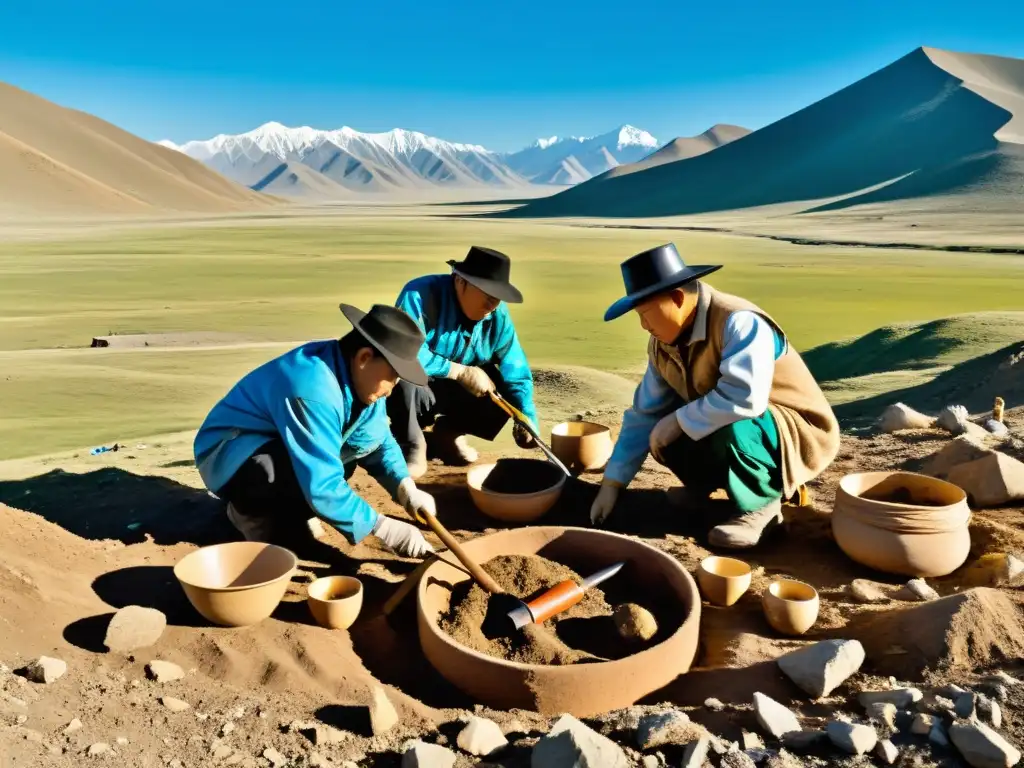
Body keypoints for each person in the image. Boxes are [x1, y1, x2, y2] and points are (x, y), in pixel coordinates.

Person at [590, 243, 840, 548]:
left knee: (717, 421)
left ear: (678, 299)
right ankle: (704, 488)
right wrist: (612, 484)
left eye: (646, 314)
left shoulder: (739, 321)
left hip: (792, 432)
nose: (644, 326)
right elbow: (645, 413)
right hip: (737, 425)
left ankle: (761, 505)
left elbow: (745, 397)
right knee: (663, 430)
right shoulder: (663, 346)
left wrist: (678, 421)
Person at [193, 303, 437, 559]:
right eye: (393, 376)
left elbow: (376, 440)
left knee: (345, 461)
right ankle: (247, 514)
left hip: (284, 444)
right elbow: (322, 484)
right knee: (273, 472)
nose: (392, 388)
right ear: (365, 357)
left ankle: (294, 512)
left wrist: (405, 488)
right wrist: (383, 528)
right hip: (229, 451)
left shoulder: (363, 380)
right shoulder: (312, 386)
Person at [387, 246, 540, 478]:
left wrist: (527, 415)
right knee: (405, 377)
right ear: (460, 281)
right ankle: (412, 444)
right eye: (488, 295)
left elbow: (514, 365)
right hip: (419, 386)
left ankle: (449, 433)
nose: (493, 305)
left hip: (455, 393)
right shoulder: (420, 294)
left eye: (497, 298)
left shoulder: (497, 315)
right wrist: (458, 371)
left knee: (500, 389)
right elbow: (403, 350)